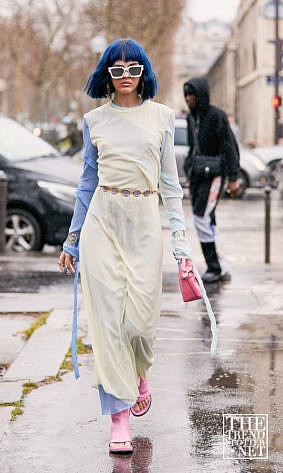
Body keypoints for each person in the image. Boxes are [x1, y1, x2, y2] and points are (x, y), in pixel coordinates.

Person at [58, 38, 193, 455]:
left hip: (143, 225)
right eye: (116, 70)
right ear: (107, 74)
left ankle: (139, 374)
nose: (126, 77)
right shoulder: (93, 120)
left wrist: (181, 242)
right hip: (103, 222)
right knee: (110, 325)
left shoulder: (163, 118)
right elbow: (86, 184)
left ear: (144, 72)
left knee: (139, 323)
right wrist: (73, 240)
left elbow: (170, 185)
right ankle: (119, 420)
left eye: (133, 69)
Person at [183, 76, 240, 283]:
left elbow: (229, 146)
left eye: (192, 94)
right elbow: (192, 148)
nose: (189, 98)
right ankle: (220, 265)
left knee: (201, 219)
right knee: (208, 220)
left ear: (201, 95)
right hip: (198, 176)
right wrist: (189, 170)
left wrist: (233, 178)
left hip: (215, 175)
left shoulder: (217, 116)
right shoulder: (191, 118)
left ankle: (214, 267)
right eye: (187, 95)